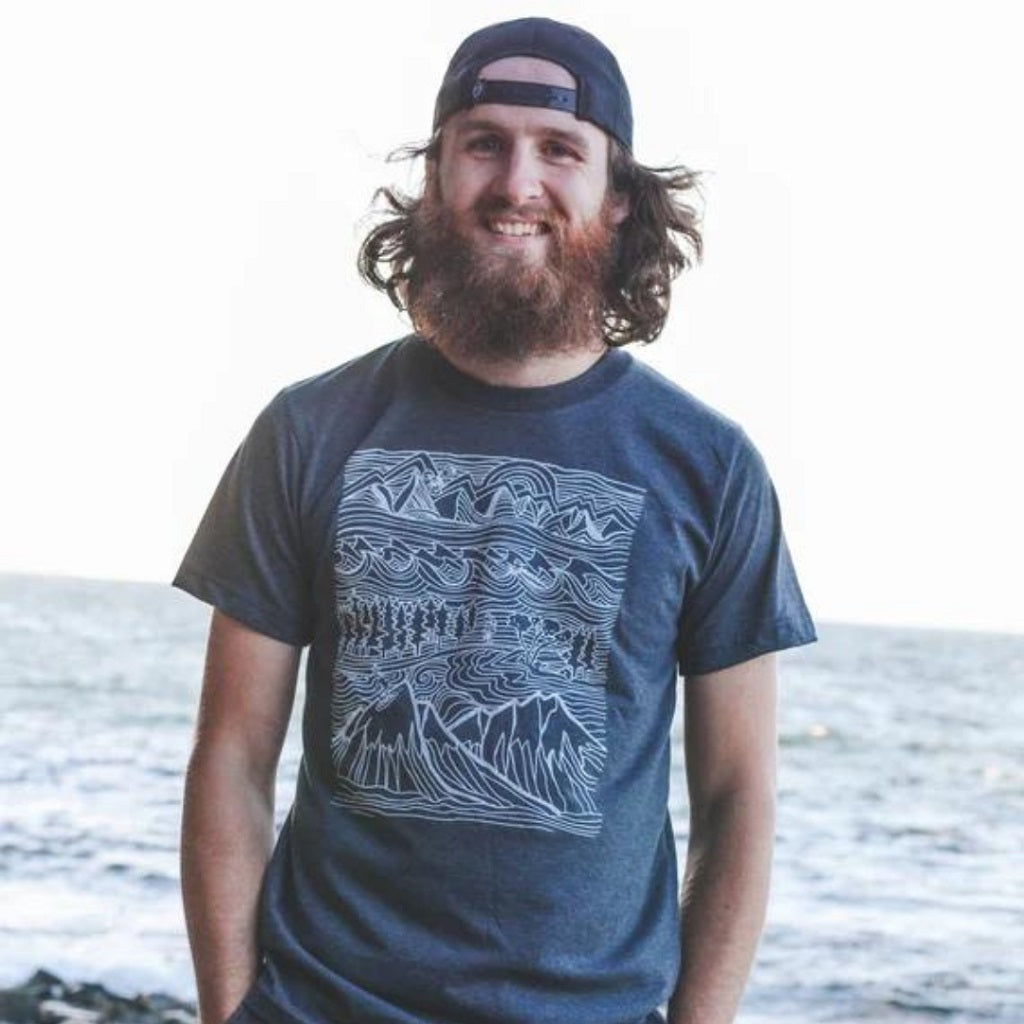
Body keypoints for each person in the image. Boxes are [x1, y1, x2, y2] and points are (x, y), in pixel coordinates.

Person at [174, 16, 816, 1024]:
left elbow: (737, 794)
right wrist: (229, 1010)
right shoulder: (308, 431)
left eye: (559, 149)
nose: (517, 181)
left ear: (618, 196)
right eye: (483, 143)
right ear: (434, 176)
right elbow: (232, 754)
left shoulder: (709, 467)